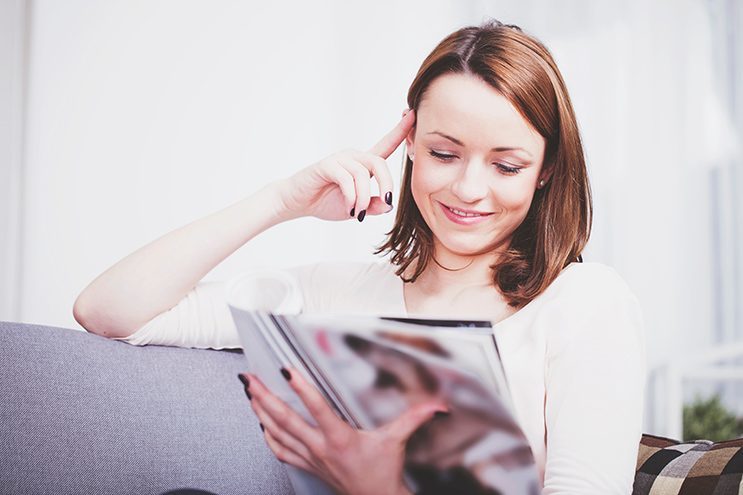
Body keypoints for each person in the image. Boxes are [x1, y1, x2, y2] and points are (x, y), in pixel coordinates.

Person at [74, 19, 645, 494]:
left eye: (506, 165)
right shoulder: (338, 295)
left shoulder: (584, 303)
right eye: (444, 153)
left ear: (546, 170)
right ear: (411, 148)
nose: (470, 188)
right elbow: (110, 311)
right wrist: (282, 199)